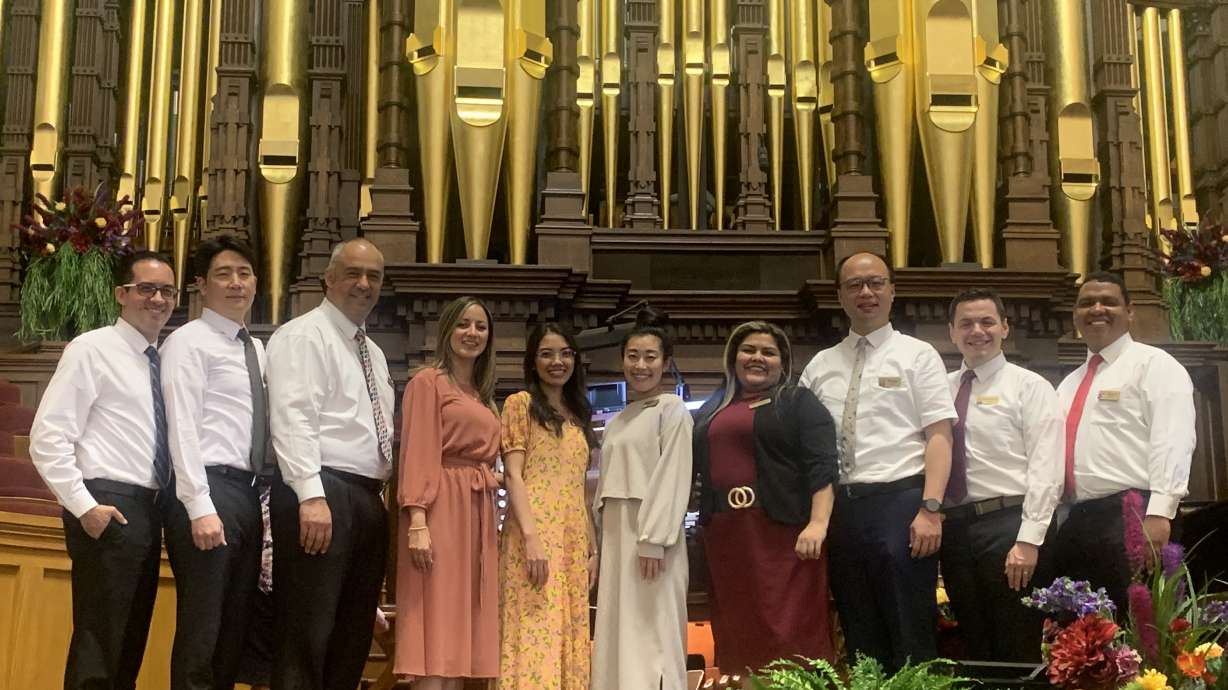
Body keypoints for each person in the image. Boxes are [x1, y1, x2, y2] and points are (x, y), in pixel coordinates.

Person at [798, 252, 955, 671]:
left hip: (901, 504)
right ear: (840, 295)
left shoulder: (918, 355)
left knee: (910, 628)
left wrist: (931, 509)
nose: (865, 292)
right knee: (859, 630)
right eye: (854, 284)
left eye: (875, 282)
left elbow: (939, 436)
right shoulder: (819, 366)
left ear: (891, 291)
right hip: (842, 510)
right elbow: (802, 443)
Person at [30, 250, 177, 689]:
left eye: (167, 291)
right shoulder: (92, 349)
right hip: (106, 502)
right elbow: (48, 436)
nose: (157, 299)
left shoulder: (162, 358)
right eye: (146, 289)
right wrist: (85, 507)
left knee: (129, 645)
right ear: (121, 295)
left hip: (149, 510)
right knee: (99, 646)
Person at [265, 238, 393, 690]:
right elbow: (292, 414)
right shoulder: (304, 335)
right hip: (323, 490)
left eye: (373, 277)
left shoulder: (372, 352)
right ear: (329, 279)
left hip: (364, 496)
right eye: (353, 274)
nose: (363, 284)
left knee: (351, 635)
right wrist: (310, 495)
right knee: (307, 632)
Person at [693, 321, 839, 672]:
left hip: (783, 536)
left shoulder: (797, 401)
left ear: (782, 362)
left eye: (768, 352)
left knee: (790, 636)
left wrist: (818, 524)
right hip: (727, 540)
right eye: (749, 350)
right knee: (742, 637)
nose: (757, 357)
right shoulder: (711, 408)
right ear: (733, 358)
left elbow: (823, 466)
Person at [1048, 271, 1195, 610]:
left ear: (1130, 312)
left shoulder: (1155, 365)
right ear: (1075, 315)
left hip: (1135, 514)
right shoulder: (1068, 384)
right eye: (1086, 303)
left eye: (1109, 302)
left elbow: (1173, 439)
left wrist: (1160, 513)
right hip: (1078, 520)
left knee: (1140, 633)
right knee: (1085, 640)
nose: (1097, 309)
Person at [161, 236, 267, 689]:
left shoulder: (257, 348)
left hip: (245, 492)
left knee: (232, 631)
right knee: (202, 629)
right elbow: (180, 426)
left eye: (244, 274)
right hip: (207, 489)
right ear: (201, 286)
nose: (236, 283)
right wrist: (199, 505)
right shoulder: (188, 342)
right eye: (224, 274)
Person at [940, 288, 1062, 662]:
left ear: (1005, 327)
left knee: (1016, 640)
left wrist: (1029, 539)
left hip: (1009, 525)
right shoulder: (941, 390)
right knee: (973, 643)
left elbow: (1047, 466)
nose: (977, 330)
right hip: (957, 530)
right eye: (966, 323)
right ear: (952, 332)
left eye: (987, 321)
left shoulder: (1029, 387)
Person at [396, 296, 502, 689]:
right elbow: (418, 450)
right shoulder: (429, 382)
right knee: (438, 629)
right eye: (463, 324)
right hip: (441, 508)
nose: (471, 333)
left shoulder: (480, 394)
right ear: (447, 331)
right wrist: (418, 519)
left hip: (477, 511)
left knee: (461, 638)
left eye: (480, 326)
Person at [591, 309, 693, 690]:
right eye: (633, 356)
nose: (641, 365)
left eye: (650, 356)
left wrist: (653, 538)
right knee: (620, 630)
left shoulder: (673, 410)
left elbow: (674, 475)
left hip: (652, 536)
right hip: (618, 534)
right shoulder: (617, 420)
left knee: (654, 633)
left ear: (665, 362)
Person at [498, 323, 597, 690]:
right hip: (533, 535)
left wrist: (593, 548)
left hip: (571, 542)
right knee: (534, 633)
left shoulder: (577, 414)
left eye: (565, 353)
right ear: (532, 361)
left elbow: (580, 490)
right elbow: (513, 476)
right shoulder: (520, 405)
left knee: (567, 635)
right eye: (546, 353)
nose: (557, 361)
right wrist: (531, 538)